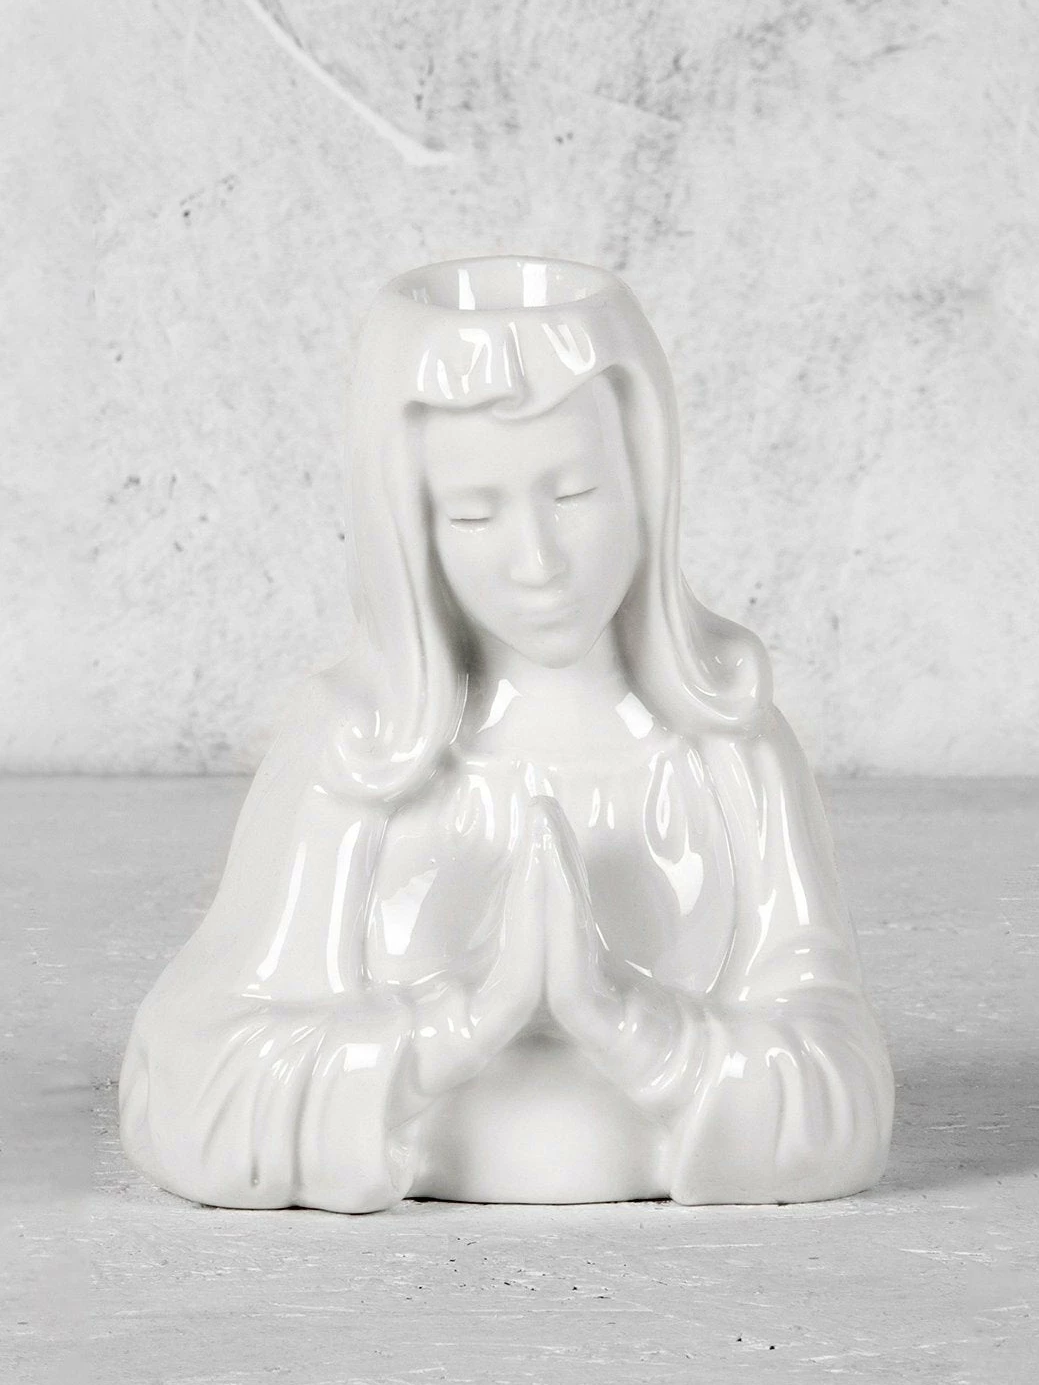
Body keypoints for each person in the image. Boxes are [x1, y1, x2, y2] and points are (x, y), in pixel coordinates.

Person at [120, 256, 894, 1212]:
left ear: (646, 481)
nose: (538, 562)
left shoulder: (730, 750)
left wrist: (626, 1022)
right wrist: (461, 1022)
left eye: (574, 496)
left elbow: (844, 1088)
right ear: (411, 529)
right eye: (476, 513)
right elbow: (192, 1083)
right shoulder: (358, 757)